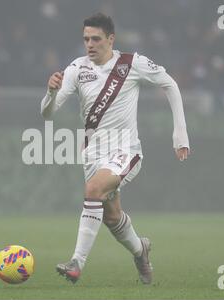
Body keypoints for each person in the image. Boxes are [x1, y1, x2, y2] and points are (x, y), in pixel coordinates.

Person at [40, 13, 190, 285]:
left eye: (96, 38)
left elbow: (170, 84)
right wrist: (50, 93)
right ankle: (140, 250)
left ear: (111, 39)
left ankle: (77, 263)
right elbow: (47, 115)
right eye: (86, 39)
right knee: (111, 216)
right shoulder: (77, 69)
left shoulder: (132, 63)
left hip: (126, 151)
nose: (90, 44)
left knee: (93, 190)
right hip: (93, 155)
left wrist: (180, 134)